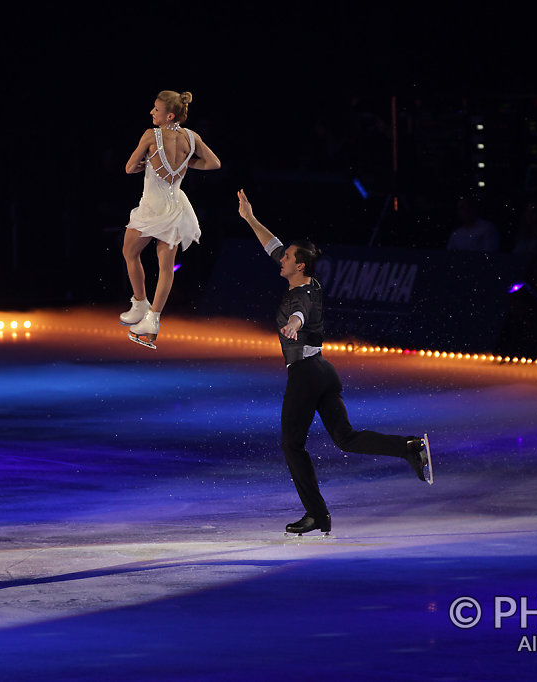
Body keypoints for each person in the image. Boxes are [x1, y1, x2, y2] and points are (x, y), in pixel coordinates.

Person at [236, 189, 432, 536]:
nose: (280, 259)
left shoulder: (303, 295)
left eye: (287, 257)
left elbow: (300, 313)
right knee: (345, 437)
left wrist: (293, 325)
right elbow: (274, 246)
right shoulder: (309, 281)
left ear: (299, 266)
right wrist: (250, 218)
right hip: (323, 371)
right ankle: (409, 447)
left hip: (306, 375)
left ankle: (317, 515)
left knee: (290, 444)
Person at [121, 90, 221, 347]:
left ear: (169, 115)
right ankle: (153, 320)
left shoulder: (150, 135)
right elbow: (213, 163)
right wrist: (186, 165)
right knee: (166, 267)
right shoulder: (191, 137)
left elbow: (129, 168)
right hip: (176, 207)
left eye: (156, 109)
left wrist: (145, 163)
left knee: (130, 252)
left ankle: (140, 304)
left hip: (152, 208)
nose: (151, 113)